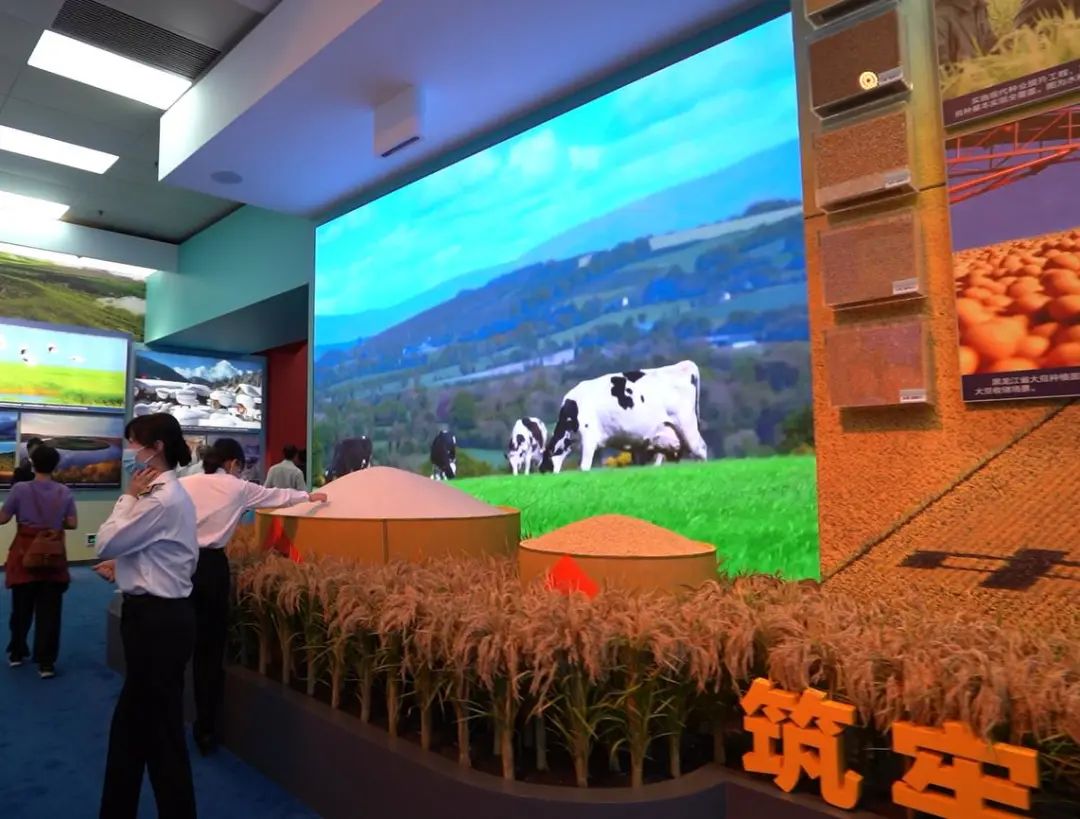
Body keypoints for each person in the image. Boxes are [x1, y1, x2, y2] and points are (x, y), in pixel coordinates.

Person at [93, 413, 199, 819]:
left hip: (157, 624)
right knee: (138, 728)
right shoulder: (164, 496)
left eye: (135, 444)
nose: (129, 452)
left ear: (157, 449)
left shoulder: (158, 499)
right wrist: (126, 568)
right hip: (156, 618)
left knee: (156, 731)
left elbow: (106, 542)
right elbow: (161, 554)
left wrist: (126, 498)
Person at [1, 444, 77, 678]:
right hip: (53, 556)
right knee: (50, 612)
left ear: (33, 464)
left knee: (21, 608)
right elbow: (72, 523)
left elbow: (3, 519)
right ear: (55, 466)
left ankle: (17, 653)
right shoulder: (64, 492)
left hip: (24, 554)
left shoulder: (20, 489)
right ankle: (46, 664)